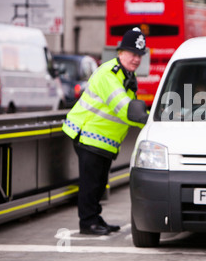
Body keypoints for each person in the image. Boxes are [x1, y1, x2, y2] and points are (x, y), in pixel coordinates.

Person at [62, 27, 149, 235]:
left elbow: (128, 110)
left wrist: (148, 121)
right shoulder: (109, 74)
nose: (136, 59)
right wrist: (150, 121)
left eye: (139, 55)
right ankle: (87, 222)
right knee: (91, 183)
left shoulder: (127, 76)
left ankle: (95, 218)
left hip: (104, 141)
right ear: (120, 52)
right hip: (88, 134)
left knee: (99, 183)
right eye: (132, 53)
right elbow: (123, 108)